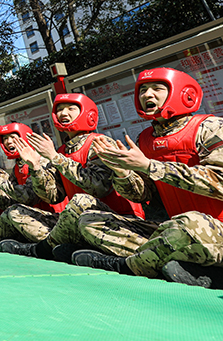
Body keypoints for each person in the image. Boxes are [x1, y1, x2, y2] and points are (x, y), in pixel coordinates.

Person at [70, 68, 223, 288]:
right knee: (90, 220)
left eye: (157, 88)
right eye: (142, 90)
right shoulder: (144, 139)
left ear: (184, 93)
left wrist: (150, 165)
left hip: (209, 229)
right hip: (174, 230)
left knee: (188, 223)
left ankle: (126, 266)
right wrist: (122, 171)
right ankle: (173, 264)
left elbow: (219, 182)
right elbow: (142, 193)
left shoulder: (210, 127)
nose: (147, 95)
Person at [0, 93, 144, 261]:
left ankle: (44, 248)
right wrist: (36, 167)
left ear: (88, 113)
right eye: (59, 109)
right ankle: (68, 244)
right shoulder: (61, 151)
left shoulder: (100, 142)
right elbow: (53, 196)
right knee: (16, 212)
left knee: (80, 200)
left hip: (117, 221)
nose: (63, 113)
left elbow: (99, 187)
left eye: (71, 108)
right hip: (80, 220)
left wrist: (55, 158)